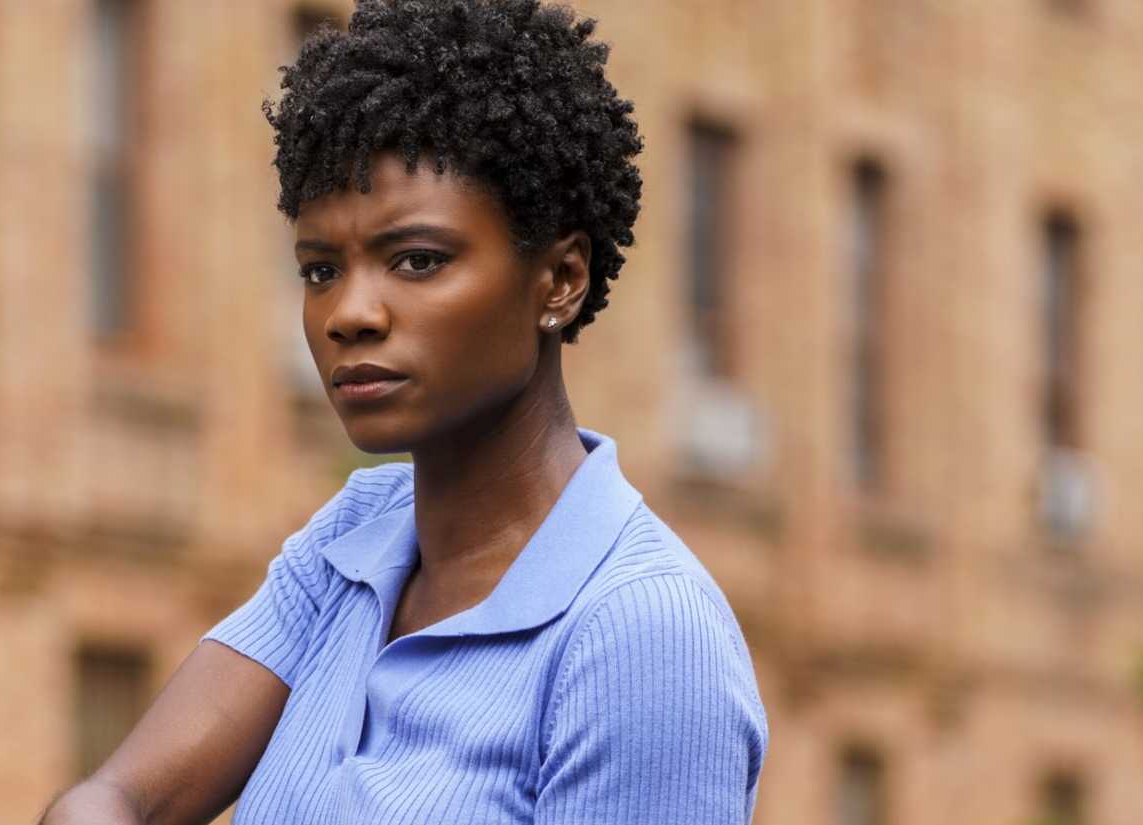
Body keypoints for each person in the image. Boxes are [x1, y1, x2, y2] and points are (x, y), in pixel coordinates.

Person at [41, 0, 767, 822]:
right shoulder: (356, 542)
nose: (349, 313)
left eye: (417, 260)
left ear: (560, 280)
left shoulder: (642, 635)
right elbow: (121, 797)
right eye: (320, 271)